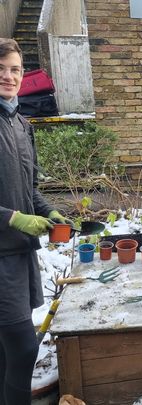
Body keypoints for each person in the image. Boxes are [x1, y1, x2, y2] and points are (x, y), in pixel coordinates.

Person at [0, 38, 72, 405]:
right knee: (24, 350)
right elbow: (16, 210)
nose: (8, 76)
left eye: (14, 69)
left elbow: (30, 190)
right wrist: (14, 219)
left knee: (7, 354)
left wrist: (48, 213)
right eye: (0, 69)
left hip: (21, 254)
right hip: (0, 258)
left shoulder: (22, 125)